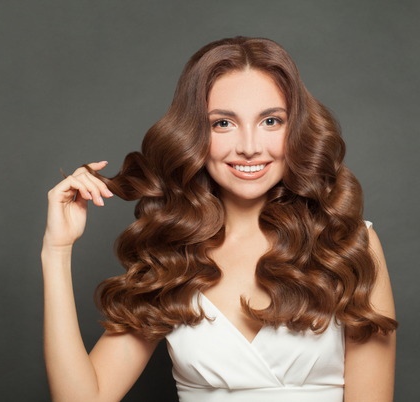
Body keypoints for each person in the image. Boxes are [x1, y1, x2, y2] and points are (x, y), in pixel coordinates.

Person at [42, 36, 398, 402]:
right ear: (194, 134)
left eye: (271, 121)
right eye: (223, 123)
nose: (248, 146)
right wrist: (57, 251)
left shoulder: (347, 244)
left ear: (296, 131)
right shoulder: (170, 256)